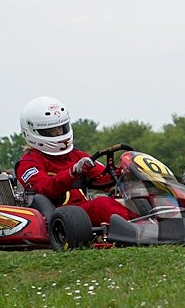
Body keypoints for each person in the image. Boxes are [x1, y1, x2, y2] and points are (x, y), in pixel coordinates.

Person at [15, 96, 138, 226]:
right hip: (58, 217)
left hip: (82, 212)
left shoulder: (76, 156)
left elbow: (104, 179)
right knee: (100, 204)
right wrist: (72, 173)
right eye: (51, 131)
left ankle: (150, 221)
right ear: (32, 132)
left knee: (137, 197)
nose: (58, 133)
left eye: (61, 127)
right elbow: (45, 189)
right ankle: (138, 227)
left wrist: (124, 172)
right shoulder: (28, 163)